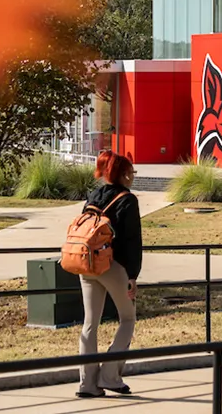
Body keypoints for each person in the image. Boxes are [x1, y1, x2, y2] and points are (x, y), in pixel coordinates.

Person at [76, 151, 142, 399]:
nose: (133, 176)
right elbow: (132, 242)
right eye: (132, 172)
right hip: (113, 267)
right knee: (127, 319)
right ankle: (110, 376)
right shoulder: (128, 200)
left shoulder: (93, 197)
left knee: (90, 323)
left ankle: (87, 384)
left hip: (87, 264)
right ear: (125, 174)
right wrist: (132, 275)